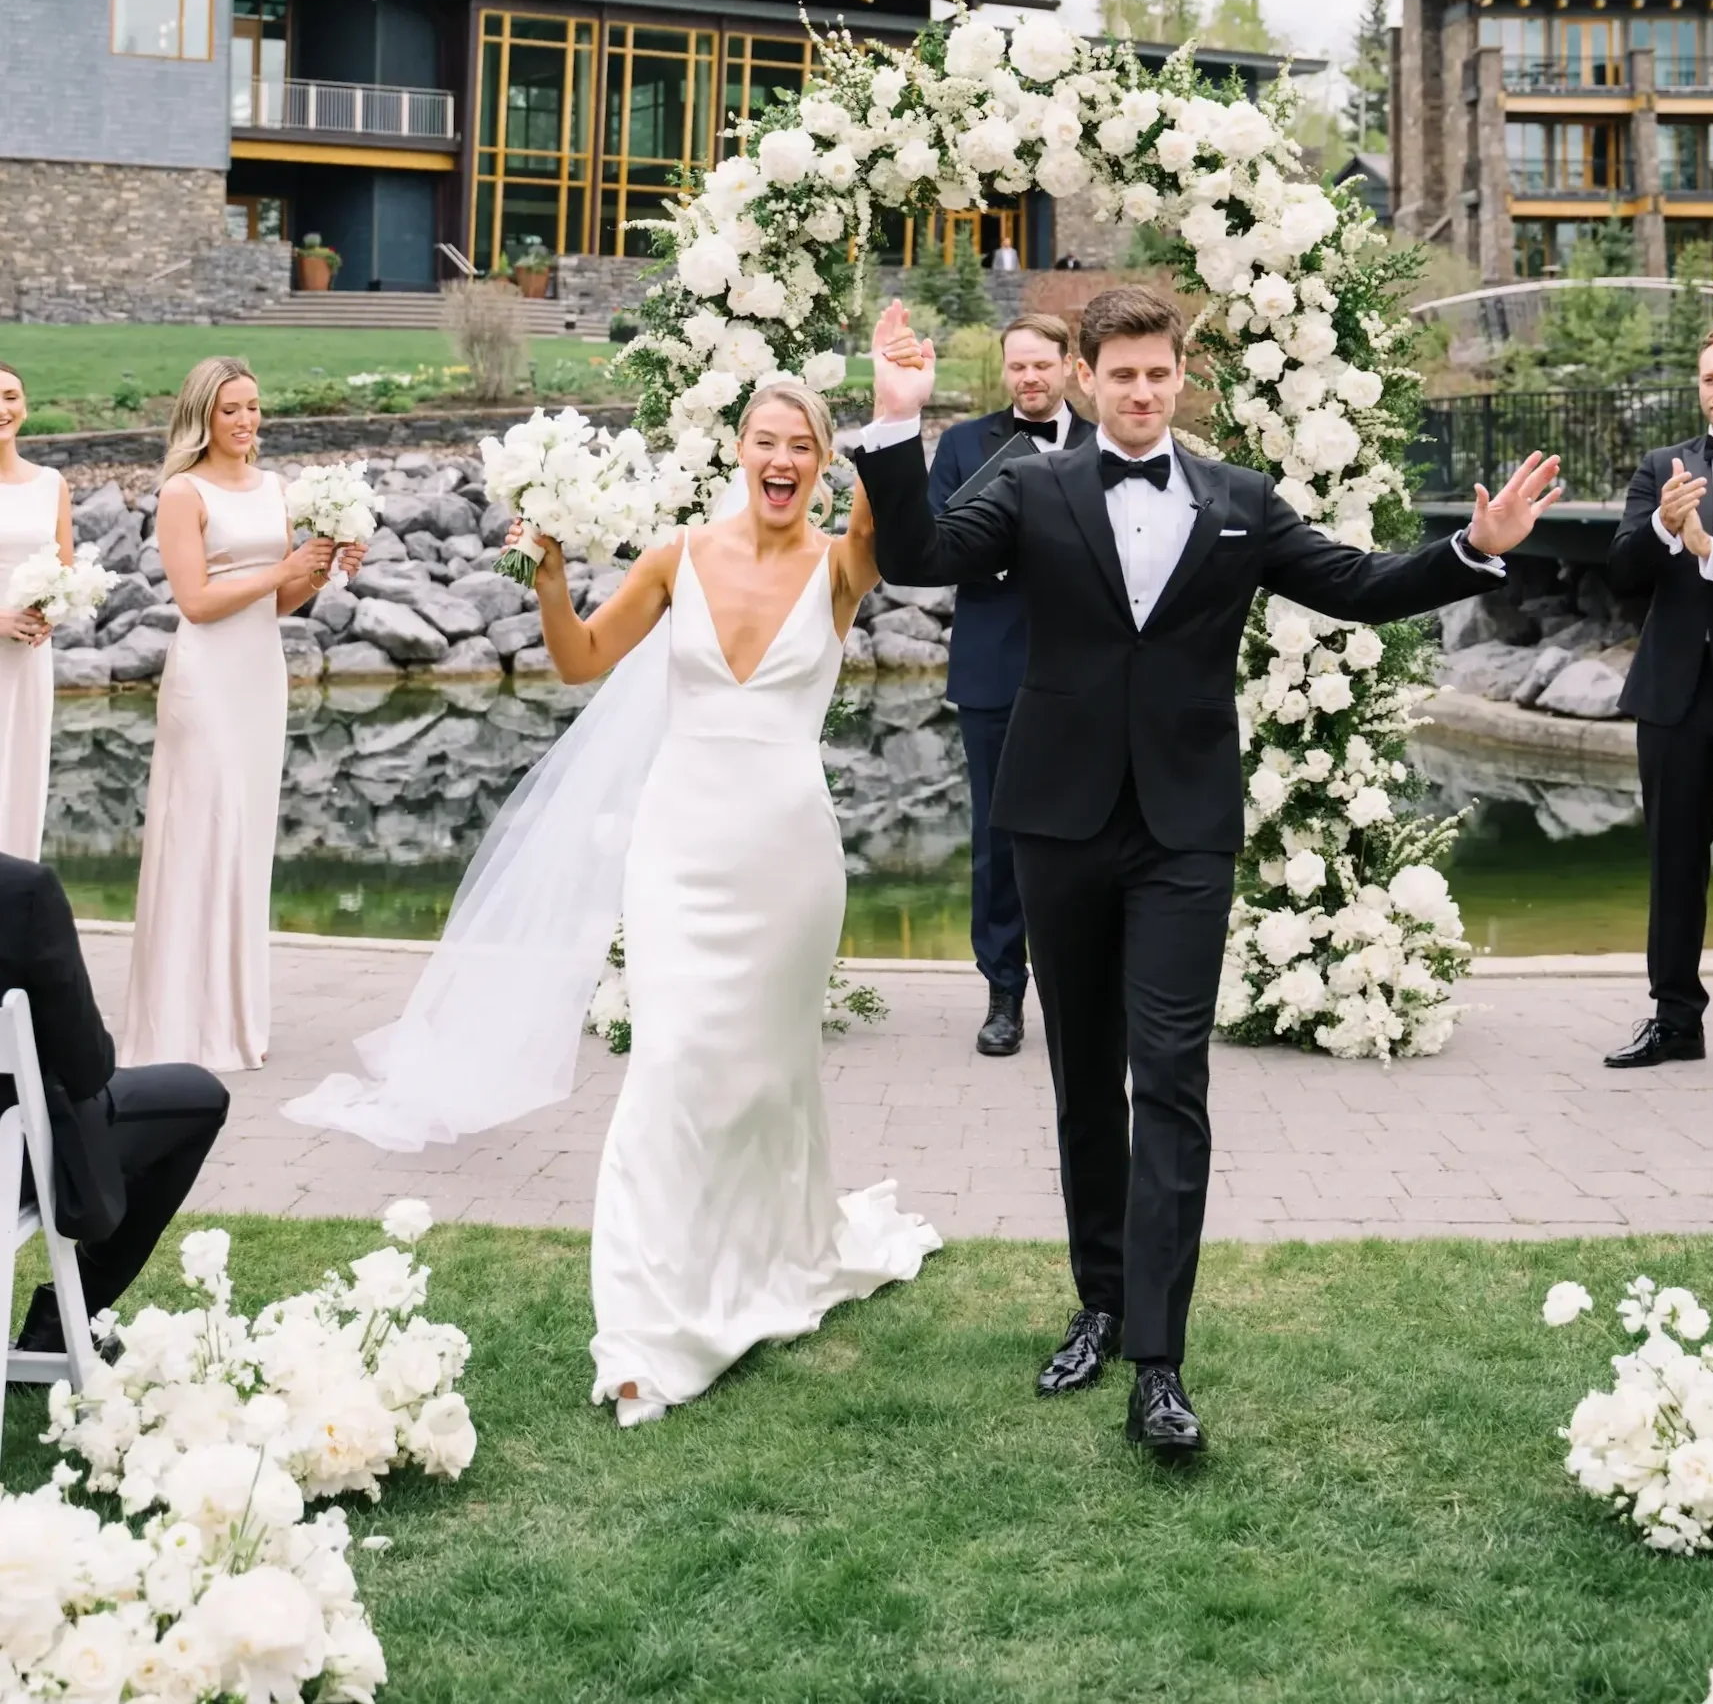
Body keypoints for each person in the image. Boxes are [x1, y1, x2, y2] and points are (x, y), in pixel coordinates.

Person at [855, 284, 1561, 1460]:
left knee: (1169, 1077)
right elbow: (921, 557)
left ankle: (1158, 1366)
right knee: (1083, 1076)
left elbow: (1354, 585)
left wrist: (1471, 553)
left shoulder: (1237, 503)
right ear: (1083, 378)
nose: (1140, 391)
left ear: (1183, 377)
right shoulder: (1028, 486)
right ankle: (1098, 1301)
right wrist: (893, 423)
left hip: (1183, 828)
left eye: (1158, 373)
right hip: (1058, 821)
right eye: (1119, 374)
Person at [290, 377, 939, 1426]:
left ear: (822, 466)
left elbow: (889, 503)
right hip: (678, 853)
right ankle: (644, 1330)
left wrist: (891, 401)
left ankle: (777, 1246)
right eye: (765, 442)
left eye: (801, 448)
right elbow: (581, 657)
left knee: (768, 1077)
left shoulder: (840, 565)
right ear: (739, 451)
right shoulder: (676, 560)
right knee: (673, 1067)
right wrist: (547, 578)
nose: (782, 461)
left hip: (787, 862)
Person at [119, 359, 354, 1073]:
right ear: (202, 418)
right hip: (206, 679)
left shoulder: (277, 488)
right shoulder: (180, 492)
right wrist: (284, 570)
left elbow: (279, 601)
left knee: (245, 836)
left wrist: (322, 567)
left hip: (260, 672)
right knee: (202, 831)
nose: (247, 421)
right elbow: (195, 601)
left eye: (254, 407)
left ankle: (234, 1017)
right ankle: (178, 1025)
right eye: (231, 410)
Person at [927, 314, 1093, 1055]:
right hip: (994, 668)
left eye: (1041, 365)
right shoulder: (964, 444)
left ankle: (1083, 992)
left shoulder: (1104, 443)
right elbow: (930, 540)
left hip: (1088, 671)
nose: (1028, 378)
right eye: (1016, 367)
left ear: (1069, 367)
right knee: (998, 836)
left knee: (1088, 830)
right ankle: (1003, 994)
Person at [1, 852, 229, 1368]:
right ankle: (64, 1322)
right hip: (11, 1158)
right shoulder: (21, 890)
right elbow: (87, 1066)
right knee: (200, 1095)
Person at [1604, 322, 1713, 1069]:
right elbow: (1623, 569)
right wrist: (1664, 528)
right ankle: (1675, 1022)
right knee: (1673, 861)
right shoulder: (1664, 465)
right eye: (1709, 379)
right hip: (1672, 697)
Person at [0, 363, 71, 863]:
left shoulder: (51, 485)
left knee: (22, 779)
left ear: (24, 405)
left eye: (9, 396)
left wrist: (52, 613)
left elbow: (65, 574)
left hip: (28, 662)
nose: (1, 409)